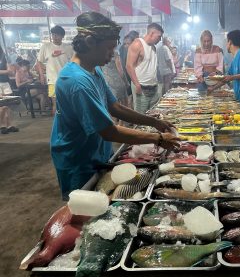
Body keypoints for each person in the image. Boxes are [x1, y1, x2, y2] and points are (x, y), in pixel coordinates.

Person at [50, 12, 180, 200]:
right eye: (109, 48)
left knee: (105, 198)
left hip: (97, 150)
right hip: (78, 159)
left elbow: (114, 107)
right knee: (85, 208)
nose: (112, 54)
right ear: (89, 42)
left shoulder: (93, 70)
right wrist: (158, 138)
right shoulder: (75, 81)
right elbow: (108, 131)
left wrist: (153, 121)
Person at [208, 30, 240, 108]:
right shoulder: (234, 59)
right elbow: (226, 78)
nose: (227, 44)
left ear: (230, 42)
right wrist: (213, 88)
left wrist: (233, 77)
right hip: (239, 99)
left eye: (227, 42)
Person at [126, 23, 163, 114]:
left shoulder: (153, 47)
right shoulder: (138, 44)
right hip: (141, 88)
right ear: (151, 33)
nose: (160, 39)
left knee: (153, 116)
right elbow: (129, 66)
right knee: (141, 117)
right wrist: (137, 84)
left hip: (153, 87)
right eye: (159, 36)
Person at [37, 25, 74, 115]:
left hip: (66, 79)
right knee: (56, 103)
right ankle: (57, 126)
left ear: (62, 36)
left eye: (57, 35)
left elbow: (73, 62)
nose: (54, 37)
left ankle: (67, 124)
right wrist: (42, 75)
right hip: (53, 80)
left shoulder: (68, 48)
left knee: (68, 103)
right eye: (53, 35)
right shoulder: (46, 47)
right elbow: (39, 62)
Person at [101, 50, 129, 125]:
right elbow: (120, 70)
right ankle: (121, 126)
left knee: (109, 106)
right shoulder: (115, 52)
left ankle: (113, 125)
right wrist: (126, 82)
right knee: (122, 106)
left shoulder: (99, 53)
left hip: (106, 82)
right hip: (117, 81)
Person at [119, 31, 139, 108]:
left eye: (128, 43)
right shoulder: (121, 50)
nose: (126, 45)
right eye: (125, 44)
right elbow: (122, 65)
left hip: (134, 77)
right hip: (125, 78)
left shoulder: (135, 51)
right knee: (128, 99)